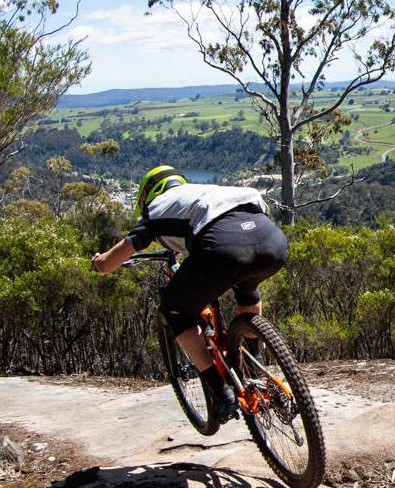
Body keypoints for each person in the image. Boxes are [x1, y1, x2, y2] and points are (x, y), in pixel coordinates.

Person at [91, 166, 288, 419]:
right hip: (272, 241)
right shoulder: (208, 191)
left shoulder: (157, 209)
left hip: (223, 248)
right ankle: (253, 370)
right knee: (247, 286)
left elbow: (108, 264)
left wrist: (97, 262)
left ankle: (221, 392)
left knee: (174, 309)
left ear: (147, 195)